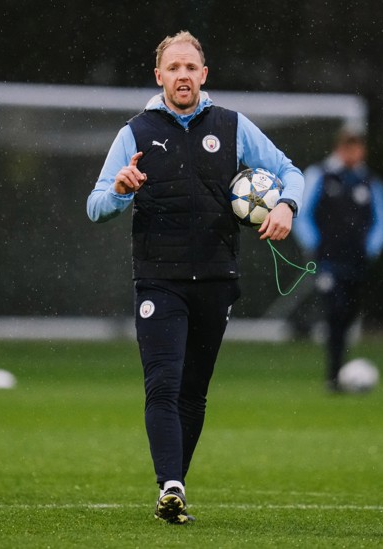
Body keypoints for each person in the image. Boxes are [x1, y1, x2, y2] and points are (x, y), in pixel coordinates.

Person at [86, 30, 304, 524]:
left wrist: (287, 206)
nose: (182, 76)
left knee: (193, 391)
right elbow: (95, 205)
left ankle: (171, 491)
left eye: (191, 68)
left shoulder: (231, 127)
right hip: (158, 278)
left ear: (204, 76)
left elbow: (290, 172)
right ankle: (172, 483)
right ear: (158, 75)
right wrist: (120, 189)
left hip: (216, 277)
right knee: (162, 384)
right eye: (174, 68)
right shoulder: (135, 133)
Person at [293, 128, 383, 392]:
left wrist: (370, 249)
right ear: (339, 148)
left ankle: (340, 371)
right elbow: (301, 214)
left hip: (357, 262)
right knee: (335, 312)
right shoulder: (321, 175)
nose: (353, 153)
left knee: (348, 315)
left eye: (357, 148)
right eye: (349, 147)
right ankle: (333, 375)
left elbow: (382, 220)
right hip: (328, 261)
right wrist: (316, 246)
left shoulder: (370, 181)